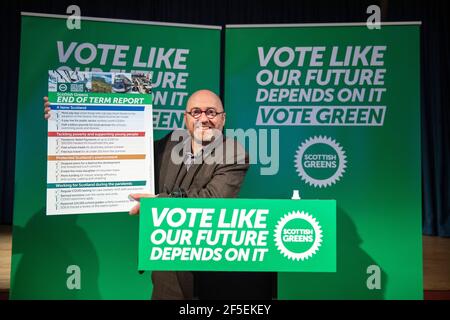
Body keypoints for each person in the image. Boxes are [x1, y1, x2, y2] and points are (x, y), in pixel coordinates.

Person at [44, 89, 273, 300]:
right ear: (186, 118)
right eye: (196, 112)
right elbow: (119, 150)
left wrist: (159, 203)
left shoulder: (234, 153)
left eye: (211, 112)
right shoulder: (170, 144)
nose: (204, 118)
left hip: (204, 269)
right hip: (165, 265)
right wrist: (66, 119)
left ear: (223, 118)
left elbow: (212, 200)